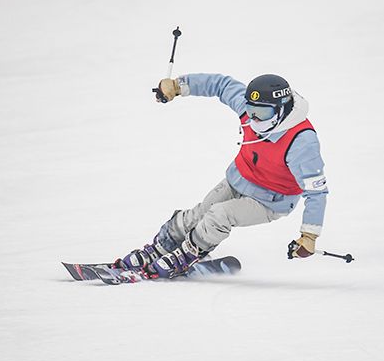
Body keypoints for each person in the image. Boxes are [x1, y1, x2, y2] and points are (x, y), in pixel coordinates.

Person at [121, 73, 328, 279]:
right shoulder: (251, 113)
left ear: (281, 110)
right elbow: (222, 85)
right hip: (238, 179)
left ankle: (188, 254)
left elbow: (316, 192)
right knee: (197, 215)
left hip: (270, 200)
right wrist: (177, 86)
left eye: (261, 113)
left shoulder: (302, 142)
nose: (253, 118)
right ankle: (161, 247)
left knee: (219, 215)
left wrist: (309, 236)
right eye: (250, 109)